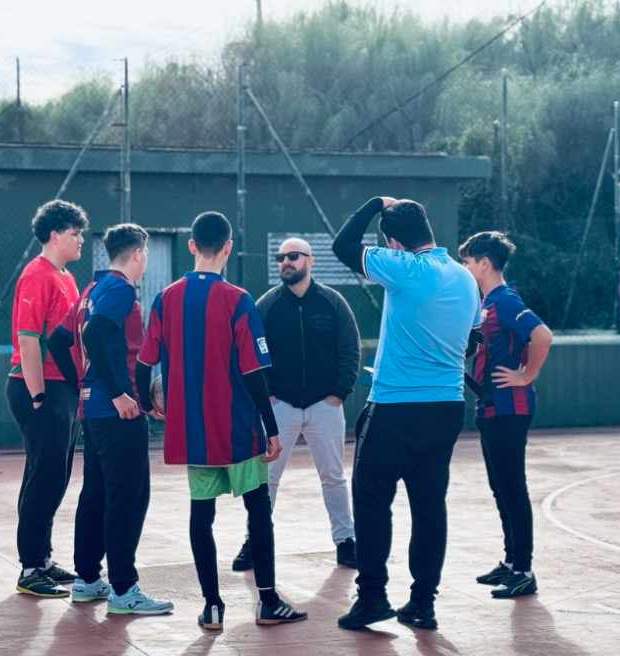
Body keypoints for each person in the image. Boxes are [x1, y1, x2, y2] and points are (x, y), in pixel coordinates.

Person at [135, 211, 308, 631]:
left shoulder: (166, 298)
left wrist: (147, 404)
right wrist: (269, 426)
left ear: (192, 246)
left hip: (194, 430)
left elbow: (143, 362)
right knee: (257, 510)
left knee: (201, 514)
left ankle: (212, 606)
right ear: (228, 247)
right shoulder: (238, 299)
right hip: (238, 428)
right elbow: (254, 372)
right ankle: (266, 602)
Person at [331, 197, 481, 631]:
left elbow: (344, 246)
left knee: (373, 501)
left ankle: (373, 596)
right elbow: (472, 340)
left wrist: (374, 204)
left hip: (395, 407)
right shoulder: (465, 278)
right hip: (446, 407)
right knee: (430, 504)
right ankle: (422, 602)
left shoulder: (403, 268)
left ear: (394, 243)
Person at [231, 237, 360, 572]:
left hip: (325, 405)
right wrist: (268, 392)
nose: (285, 262)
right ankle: (254, 541)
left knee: (333, 476)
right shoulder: (267, 305)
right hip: (280, 406)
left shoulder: (333, 302)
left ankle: (346, 542)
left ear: (309, 260)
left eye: (292, 256)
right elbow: (251, 351)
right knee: (267, 478)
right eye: (280, 257)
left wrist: (340, 392)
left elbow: (350, 348)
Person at [71, 224, 172, 614]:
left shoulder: (89, 291)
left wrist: (88, 385)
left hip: (93, 409)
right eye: (144, 255)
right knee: (128, 497)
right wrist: (117, 392)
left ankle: (87, 579)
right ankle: (124, 589)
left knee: (96, 493)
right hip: (115, 412)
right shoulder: (119, 289)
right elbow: (95, 333)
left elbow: (66, 341)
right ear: (138, 254)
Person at [459, 231, 553, 599]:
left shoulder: (505, 300)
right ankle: (512, 563)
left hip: (509, 408)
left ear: (484, 263)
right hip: (492, 406)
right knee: (501, 488)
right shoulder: (487, 305)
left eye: (467, 262)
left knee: (513, 488)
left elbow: (542, 336)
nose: (465, 268)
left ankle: (524, 570)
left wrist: (526, 375)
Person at [6, 199, 86, 598]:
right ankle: (29, 567)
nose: (81, 240)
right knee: (44, 476)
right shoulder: (37, 275)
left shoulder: (66, 277)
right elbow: (28, 339)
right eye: (75, 234)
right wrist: (38, 395)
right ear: (55, 235)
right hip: (39, 387)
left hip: (62, 389)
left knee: (54, 475)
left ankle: (43, 559)